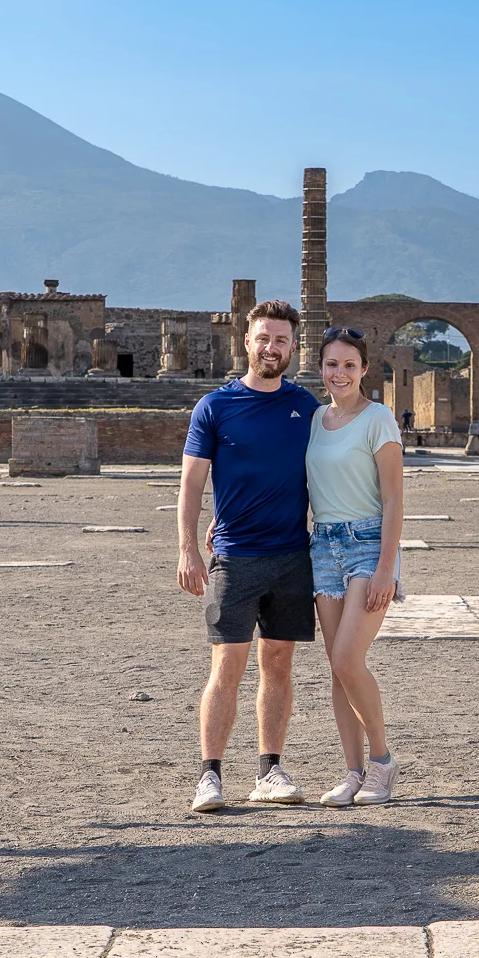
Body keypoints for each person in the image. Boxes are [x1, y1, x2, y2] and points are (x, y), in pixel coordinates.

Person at [177, 300, 321, 813]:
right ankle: (209, 776)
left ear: (292, 347)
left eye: (281, 340)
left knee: (278, 663)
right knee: (226, 666)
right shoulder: (214, 407)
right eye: (264, 338)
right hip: (235, 557)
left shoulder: (307, 408)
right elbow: (191, 484)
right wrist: (188, 548)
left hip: (291, 556)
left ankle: (270, 769)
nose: (271, 347)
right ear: (246, 341)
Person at [308, 327, 405, 806]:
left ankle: (383, 763)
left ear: (364, 369)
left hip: (367, 545)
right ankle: (352, 771)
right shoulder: (314, 419)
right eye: (332, 364)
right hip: (323, 546)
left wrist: (387, 568)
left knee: (349, 658)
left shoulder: (379, 419)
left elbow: (392, 497)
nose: (339, 372)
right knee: (336, 668)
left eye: (349, 365)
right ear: (321, 368)